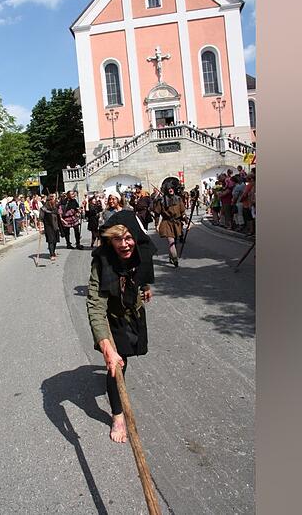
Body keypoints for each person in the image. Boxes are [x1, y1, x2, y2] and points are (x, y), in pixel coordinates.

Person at [86, 211, 155, 443]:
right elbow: (95, 304)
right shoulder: (102, 261)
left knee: (128, 354)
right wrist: (106, 347)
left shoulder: (142, 250)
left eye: (128, 238)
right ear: (109, 240)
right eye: (117, 239)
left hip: (131, 312)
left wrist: (145, 286)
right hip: (111, 316)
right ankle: (117, 416)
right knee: (117, 366)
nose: (124, 244)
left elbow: (144, 269)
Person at [153, 182, 186, 267]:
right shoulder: (161, 200)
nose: (170, 189)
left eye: (171, 188)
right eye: (168, 188)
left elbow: (183, 212)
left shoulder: (178, 199)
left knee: (174, 242)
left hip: (177, 223)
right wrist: (156, 224)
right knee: (171, 241)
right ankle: (175, 260)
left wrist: (186, 220)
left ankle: (171, 257)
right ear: (166, 190)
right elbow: (157, 213)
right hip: (167, 223)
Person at [40, 193, 61, 261]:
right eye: (52, 199)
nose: (54, 201)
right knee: (51, 240)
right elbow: (41, 218)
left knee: (55, 240)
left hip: (55, 225)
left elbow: (58, 214)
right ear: (49, 200)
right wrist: (41, 227)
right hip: (48, 226)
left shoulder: (55, 207)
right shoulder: (44, 208)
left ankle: (53, 252)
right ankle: (51, 254)